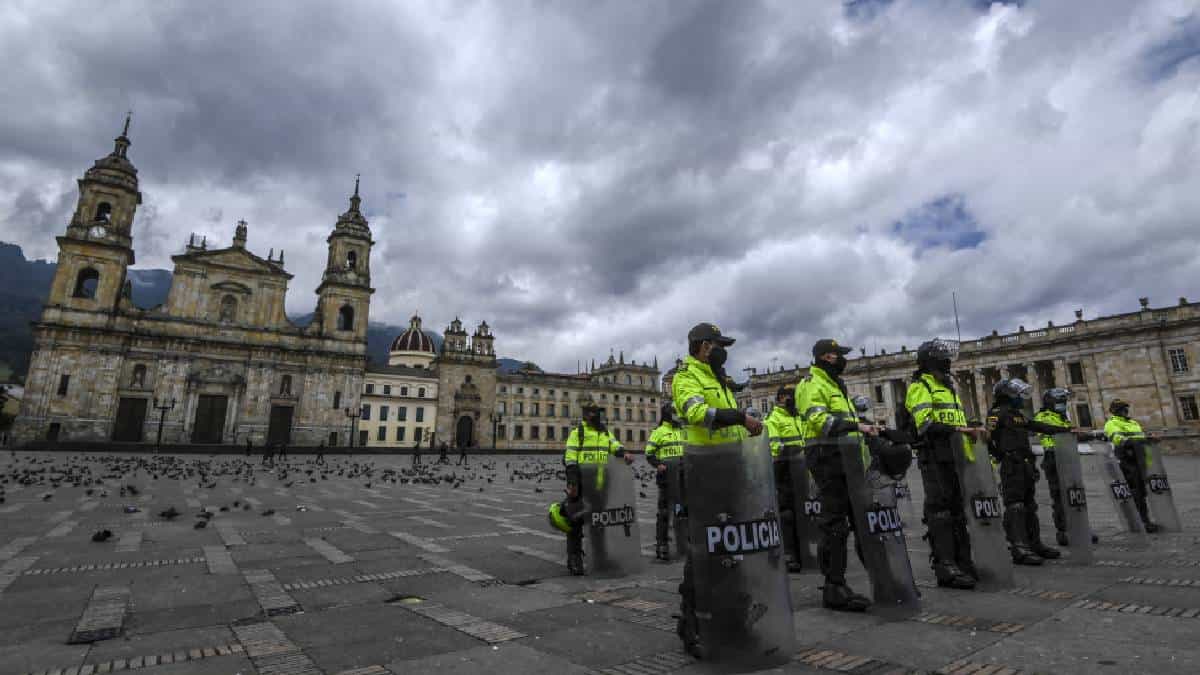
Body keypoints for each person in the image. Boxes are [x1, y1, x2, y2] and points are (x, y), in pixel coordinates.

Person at [672, 322, 762, 657]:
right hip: (703, 471)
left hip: (730, 470)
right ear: (703, 346)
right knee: (703, 551)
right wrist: (739, 418)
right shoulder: (687, 377)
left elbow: (728, 423)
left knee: (731, 549)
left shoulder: (720, 380)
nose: (723, 350)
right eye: (718, 344)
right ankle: (692, 624)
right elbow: (697, 413)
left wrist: (744, 433)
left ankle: (729, 619)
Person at [796, 339, 879, 611]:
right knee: (834, 524)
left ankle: (881, 578)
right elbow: (821, 421)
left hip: (845, 456)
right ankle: (834, 586)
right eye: (836, 355)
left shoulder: (835, 385)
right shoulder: (811, 384)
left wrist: (865, 429)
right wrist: (857, 425)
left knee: (860, 519)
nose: (841, 360)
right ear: (824, 357)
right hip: (825, 455)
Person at [904, 339, 984, 590]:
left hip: (955, 454)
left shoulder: (947, 387)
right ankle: (945, 565)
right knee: (940, 511)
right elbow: (925, 425)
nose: (947, 362)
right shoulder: (920, 386)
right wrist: (959, 429)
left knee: (958, 510)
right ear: (930, 361)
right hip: (935, 455)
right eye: (942, 357)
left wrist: (970, 429)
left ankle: (963, 561)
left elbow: (954, 418)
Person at [987, 379, 1068, 565]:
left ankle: (1034, 543)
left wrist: (1064, 430)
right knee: (1015, 505)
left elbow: (1036, 426)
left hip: (1025, 463)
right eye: (1016, 395)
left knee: (1030, 505)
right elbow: (987, 437)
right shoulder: (996, 414)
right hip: (1011, 463)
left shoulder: (1018, 415)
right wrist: (1000, 455)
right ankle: (1019, 547)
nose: (1020, 398)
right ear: (1006, 396)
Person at [561, 393, 632, 575]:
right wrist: (572, 483)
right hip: (581, 485)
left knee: (598, 523)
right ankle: (574, 558)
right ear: (585, 415)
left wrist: (624, 454)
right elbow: (570, 459)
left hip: (600, 486)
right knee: (575, 523)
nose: (596, 415)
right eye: (592, 413)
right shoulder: (578, 433)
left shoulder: (605, 433)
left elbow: (616, 446)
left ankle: (600, 557)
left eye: (598, 412)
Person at [1033, 388, 1087, 546]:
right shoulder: (1042, 416)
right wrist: (1068, 431)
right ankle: (1063, 531)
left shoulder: (1063, 417)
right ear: (1050, 403)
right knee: (1060, 496)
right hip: (1053, 457)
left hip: (1068, 456)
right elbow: (1046, 431)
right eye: (1059, 402)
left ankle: (1081, 527)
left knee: (1075, 492)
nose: (1062, 405)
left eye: (1063, 402)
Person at [765, 385, 805, 573]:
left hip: (804, 470)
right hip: (784, 470)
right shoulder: (773, 418)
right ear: (781, 398)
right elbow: (775, 445)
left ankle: (805, 550)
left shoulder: (798, 417)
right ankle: (789, 554)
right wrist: (790, 451)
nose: (793, 399)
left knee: (804, 512)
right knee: (787, 513)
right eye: (789, 396)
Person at [1104, 399, 1159, 533]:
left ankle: (1144, 520)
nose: (1126, 411)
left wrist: (1149, 438)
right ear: (1116, 411)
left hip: (1140, 460)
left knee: (1141, 492)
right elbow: (1118, 439)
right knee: (1135, 492)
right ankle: (1139, 522)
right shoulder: (1112, 423)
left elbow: (1140, 438)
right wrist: (1139, 440)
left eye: (1126, 408)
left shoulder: (1133, 422)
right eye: (1123, 409)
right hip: (1126, 460)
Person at [645, 401, 685, 561]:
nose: (677, 416)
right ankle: (662, 545)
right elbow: (649, 453)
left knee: (681, 511)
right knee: (664, 513)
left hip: (682, 476)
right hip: (666, 477)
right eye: (674, 413)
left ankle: (682, 543)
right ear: (668, 415)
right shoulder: (659, 432)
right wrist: (658, 464)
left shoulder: (682, 431)